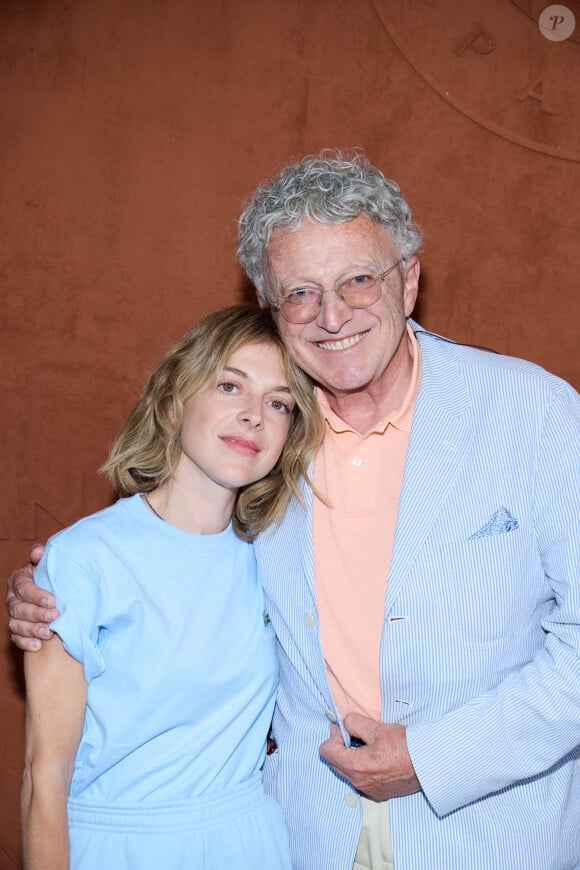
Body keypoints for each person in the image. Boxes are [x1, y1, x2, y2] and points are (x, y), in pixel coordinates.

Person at [7, 152, 580, 870]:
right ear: (272, 311)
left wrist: (436, 758)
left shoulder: (531, 410)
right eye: (301, 294)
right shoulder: (265, 439)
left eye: (358, 280)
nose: (332, 316)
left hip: (494, 834)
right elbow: (164, 564)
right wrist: (57, 592)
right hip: (303, 836)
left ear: (408, 280)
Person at [18, 303, 324, 870]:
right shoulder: (83, 560)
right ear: (171, 401)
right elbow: (45, 777)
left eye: (279, 402)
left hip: (251, 842)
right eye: (230, 385)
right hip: (120, 847)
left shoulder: (280, 555)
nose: (255, 415)